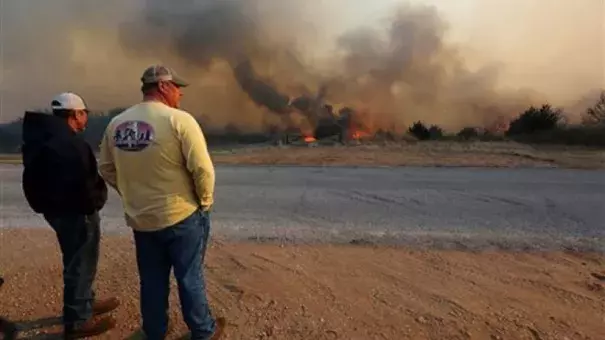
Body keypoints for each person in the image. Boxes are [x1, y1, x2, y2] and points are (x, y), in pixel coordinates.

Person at [98, 65, 225, 340]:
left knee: (152, 280)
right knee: (190, 278)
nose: (180, 94)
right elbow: (203, 169)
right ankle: (203, 332)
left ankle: (154, 331)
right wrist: (204, 202)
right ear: (164, 87)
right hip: (181, 216)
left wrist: (132, 193)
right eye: (177, 88)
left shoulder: (116, 124)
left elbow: (106, 168)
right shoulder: (179, 120)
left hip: (142, 219)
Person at [21, 93, 120, 339]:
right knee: (81, 263)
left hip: (56, 211)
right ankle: (77, 320)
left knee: (76, 260)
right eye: (84, 112)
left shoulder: (41, 138)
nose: (86, 117)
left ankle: (84, 303)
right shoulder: (69, 143)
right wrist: (96, 202)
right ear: (75, 114)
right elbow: (84, 183)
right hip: (77, 213)